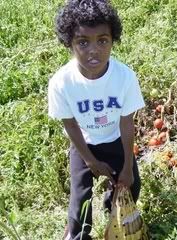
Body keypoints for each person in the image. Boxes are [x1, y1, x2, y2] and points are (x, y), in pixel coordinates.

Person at [48, 0, 145, 239]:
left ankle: (112, 212)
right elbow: (70, 124)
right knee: (79, 199)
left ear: (113, 40)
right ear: (69, 43)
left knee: (130, 186)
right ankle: (78, 232)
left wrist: (127, 167)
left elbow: (126, 122)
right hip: (84, 143)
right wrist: (90, 161)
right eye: (83, 42)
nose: (94, 50)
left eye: (103, 40)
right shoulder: (61, 83)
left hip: (115, 140)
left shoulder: (124, 77)